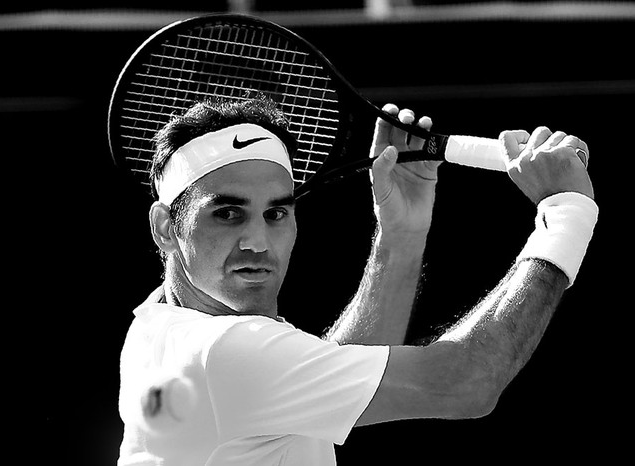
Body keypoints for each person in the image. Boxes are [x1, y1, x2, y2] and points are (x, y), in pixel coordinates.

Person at [117, 95, 597, 465]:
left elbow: (329, 378)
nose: (257, 242)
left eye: (276, 212)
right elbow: (465, 383)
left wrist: (401, 233)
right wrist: (566, 213)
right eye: (227, 213)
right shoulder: (223, 353)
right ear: (164, 227)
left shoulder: (157, 326)